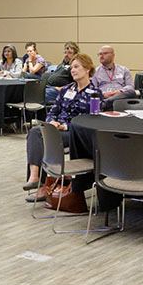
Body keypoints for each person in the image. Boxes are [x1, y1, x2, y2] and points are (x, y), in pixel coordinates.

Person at [25, 53, 100, 201]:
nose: (73, 70)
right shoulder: (66, 89)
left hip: (75, 133)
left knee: (41, 138)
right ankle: (35, 178)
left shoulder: (95, 93)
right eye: (71, 67)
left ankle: (41, 185)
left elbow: (93, 121)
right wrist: (52, 122)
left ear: (87, 69)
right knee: (35, 132)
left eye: (76, 67)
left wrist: (64, 126)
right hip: (55, 130)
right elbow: (53, 111)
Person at [91, 46, 135, 110]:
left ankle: (106, 103)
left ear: (113, 55)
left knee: (131, 92)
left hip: (121, 97)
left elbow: (130, 86)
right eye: (100, 54)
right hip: (105, 97)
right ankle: (108, 102)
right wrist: (103, 94)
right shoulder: (95, 72)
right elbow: (93, 89)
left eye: (105, 53)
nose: (101, 56)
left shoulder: (124, 70)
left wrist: (119, 91)